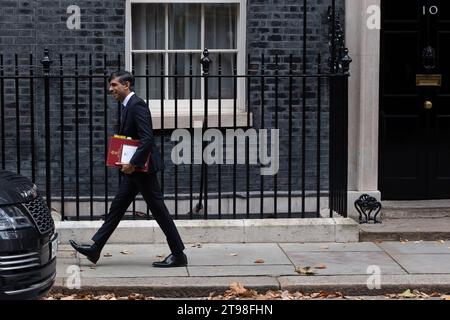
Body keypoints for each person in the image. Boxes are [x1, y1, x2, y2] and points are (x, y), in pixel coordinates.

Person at [69, 70, 187, 268]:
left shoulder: (137, 105)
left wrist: (132, 163)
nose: (110, 89)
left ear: (127, 85)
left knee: (158, 210)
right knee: (117, 207)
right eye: (110, 85)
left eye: (114, 85)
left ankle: (178, 254)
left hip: (141, 170)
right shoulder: (127, 106)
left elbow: (147, 138)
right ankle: (95, 247)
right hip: (134, 171)